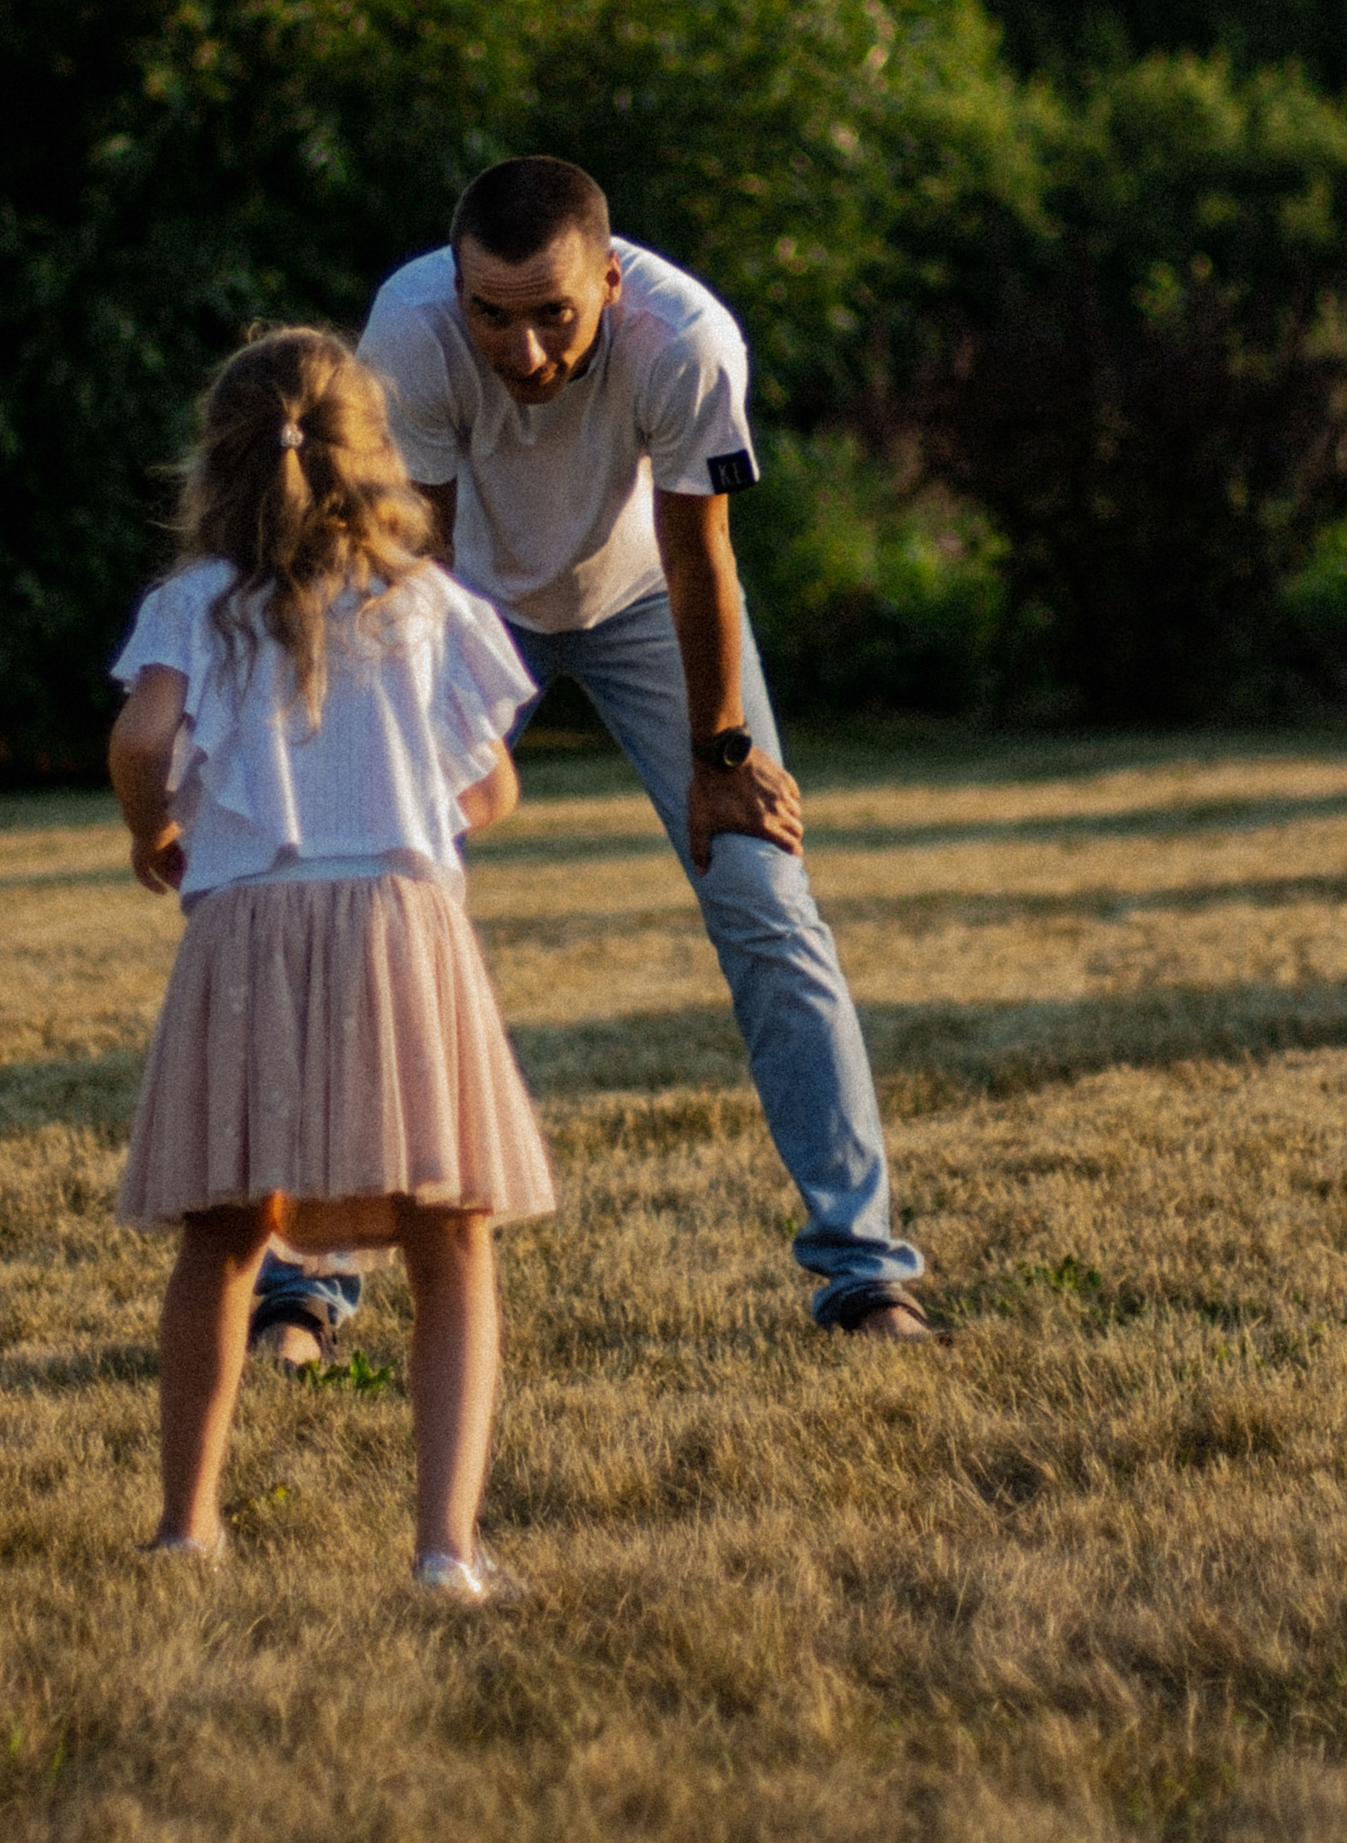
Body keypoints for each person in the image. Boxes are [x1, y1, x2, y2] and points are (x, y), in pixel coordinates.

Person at [245, 157, 931, 1369]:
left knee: (767, 903)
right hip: (462, 607)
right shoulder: (410, 332)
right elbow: (419, 566)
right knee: (364, 908)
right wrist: (423, 768)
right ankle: (306, 1285)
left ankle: (863, 1272)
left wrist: (722, 755)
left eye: (552, 315)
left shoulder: (686, 343)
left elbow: (699, 557)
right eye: (491, 314)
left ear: (609, 282)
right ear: (457, 288)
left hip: (644, 602)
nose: (520, 349)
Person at [106, 324, 554, 1599]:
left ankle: (188, 1526)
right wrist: (406, 809)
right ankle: (445, 1549)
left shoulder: (193, 603)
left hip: (245, 929)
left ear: (220, 462)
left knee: (224, 1228)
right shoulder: (426, 604)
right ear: (374, 456)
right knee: (449, 1234)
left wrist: (155, 830)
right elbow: (493, 787)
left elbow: (141, 739)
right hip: (400, 932)